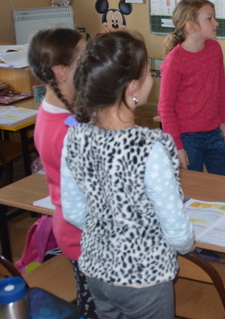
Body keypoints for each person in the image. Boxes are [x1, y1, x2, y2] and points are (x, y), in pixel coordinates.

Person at [61, 31, 195, 319]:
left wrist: (109, 232)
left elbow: (72, 211)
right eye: (149, 73)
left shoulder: (73, 137)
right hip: (144, 278)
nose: (153, 79)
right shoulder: (151, 148)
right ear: (133, 87)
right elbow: (175, 228)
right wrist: (187, 244)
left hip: (96, 271)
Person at [28, 28, 96, 317]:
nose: (92, 62)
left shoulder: (57, 112)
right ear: (62, 71)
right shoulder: (65, 131)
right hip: (85, 236)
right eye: (84, 56)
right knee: (96, 308)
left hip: (79, 229)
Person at [159, 0, 225, 175]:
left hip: (214, 132)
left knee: (224, 184)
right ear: (191, 26)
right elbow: (165, 108)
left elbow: (220, 90)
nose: (216, 23)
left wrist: (222, 121)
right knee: (193, 186)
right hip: (187, 138)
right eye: (209, 19)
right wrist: (177, 146)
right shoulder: (175, 60)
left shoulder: (214, 49)